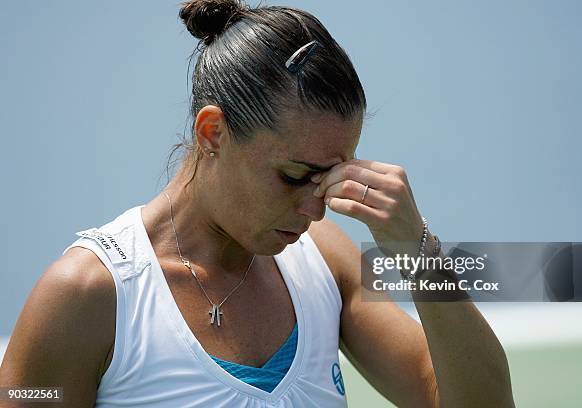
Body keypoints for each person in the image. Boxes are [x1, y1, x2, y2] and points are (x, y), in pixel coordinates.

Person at [0, 0, 515, 406]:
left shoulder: (326, 261)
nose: (316, 212)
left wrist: (418, 252)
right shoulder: (87, 294)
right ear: (213, 132)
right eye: (295, 176)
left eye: (332, 177)